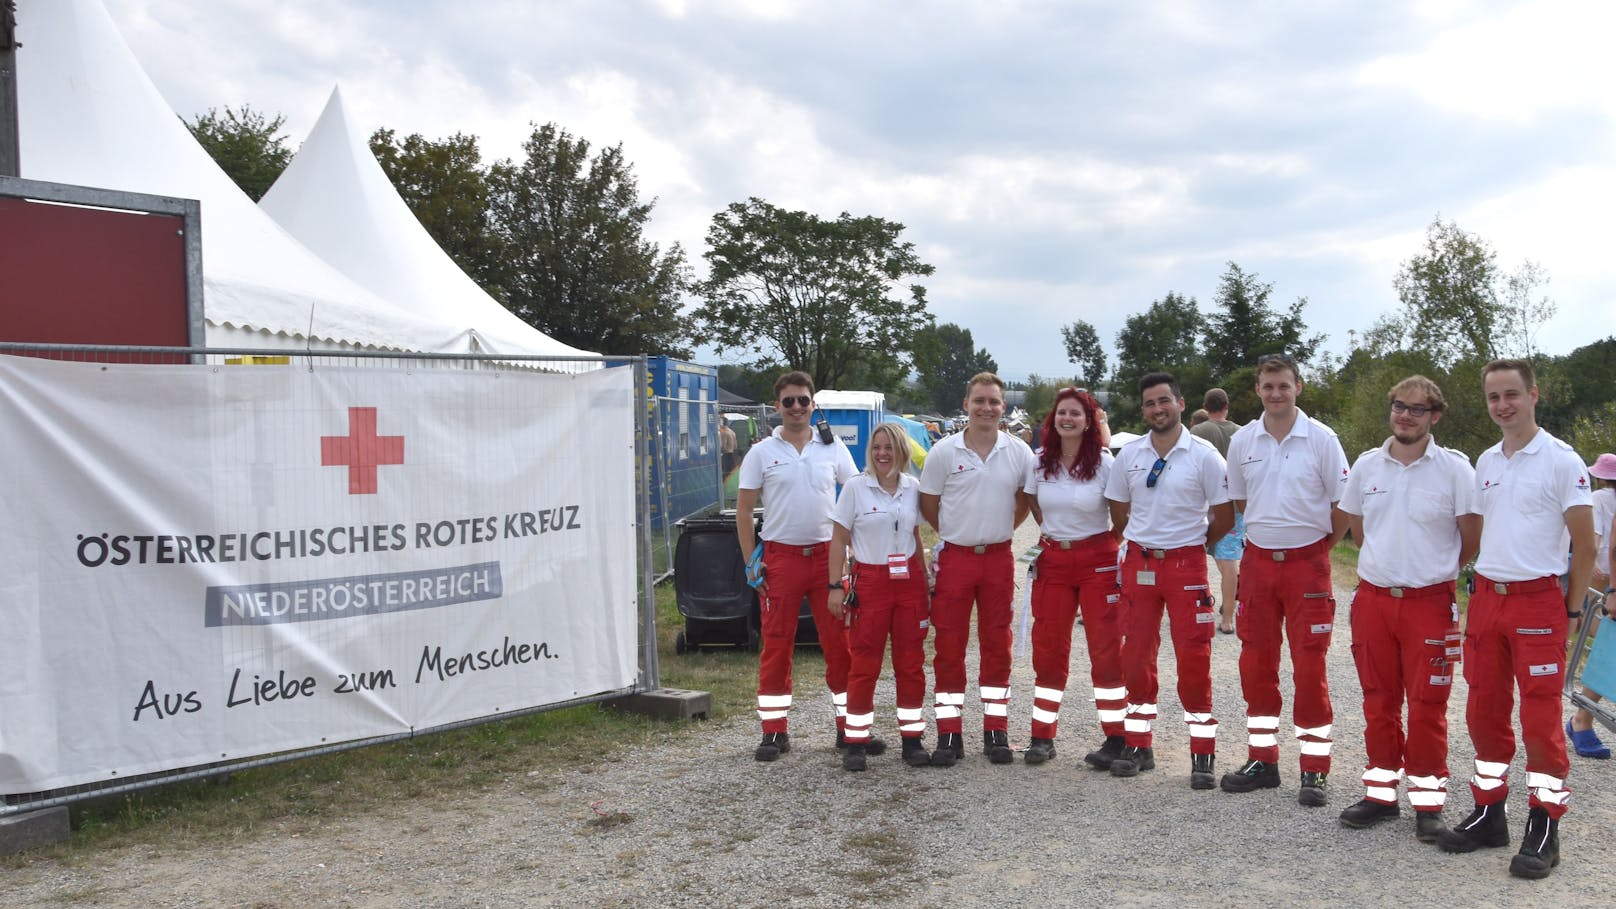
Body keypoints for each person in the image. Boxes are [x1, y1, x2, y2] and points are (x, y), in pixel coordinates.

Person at [1437, 359, 1595, 880]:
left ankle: (1544, 824)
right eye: (1493, 397)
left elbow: (1586, 544)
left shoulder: (1560, 459)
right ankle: (1489, 812)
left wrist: (1571, 611)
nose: (1502, 405)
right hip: (1489, 598)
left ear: (1533, 394)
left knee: (1540, 718)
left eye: (1511, 394)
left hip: (1538, 602)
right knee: (1483, 710)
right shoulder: (1487, 460)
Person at [1336, 376, 1480, 843]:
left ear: (1435, 416)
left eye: (1417, 409)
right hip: (1375, 600)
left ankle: (1428, 802)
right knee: (1378, 700)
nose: (1405, 415)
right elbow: (1358, 531)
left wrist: (1433, 572)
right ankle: (1380, 794)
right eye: (1399, 406)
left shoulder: (1456, 470)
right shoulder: (1365, 466)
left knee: (1428, 706)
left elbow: (1470, 537)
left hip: (1429, 605)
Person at [1220, 353, 1349, 806]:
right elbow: (1240, 502)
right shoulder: (1243, 441)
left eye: (1284, 385)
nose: (1276, 393)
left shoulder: (1322, 439)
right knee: (1256, 663)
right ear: (1258, 390)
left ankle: (1314, 770)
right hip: (1258, 564)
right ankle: (1263, 759)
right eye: (1268, 386)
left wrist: (1315, 550)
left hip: (1307, 563)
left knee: (1310, 666)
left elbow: (1342, 507)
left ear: (1298, 388)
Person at [1103, 372, 1234, 787]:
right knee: (1136, 656)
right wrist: (1142, 537)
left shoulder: (1204, 454)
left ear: (1180, 402)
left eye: (1164, 400)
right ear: (1143, 410)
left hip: (1186, 566)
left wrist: (1195, 543)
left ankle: (1202, 753)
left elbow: (1226, 514)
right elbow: (1118, 506)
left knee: (1194, 659)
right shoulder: (1130, 454)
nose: (1157, 409)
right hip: (1140, 565)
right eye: (1149, 403)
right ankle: (1139, 744)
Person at [736, 372, 873, 762]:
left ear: (814, 405)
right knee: (777, 644)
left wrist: (855, 553)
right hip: (780, 560)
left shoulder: (831, 449)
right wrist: (751, 563)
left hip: (827, 560)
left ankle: (851, 729)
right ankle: (774, 731)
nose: (797, 407)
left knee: (840, 646)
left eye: (803, 400)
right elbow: (744, 511)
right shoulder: (762, 452)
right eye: (789, 401)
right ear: (777, 406)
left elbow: (857, 492)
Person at [918, 372, 1035, 766]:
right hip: (956, 558)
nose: (987, 408)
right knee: (949, 647)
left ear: (1003, 408)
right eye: (979, 401)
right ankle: (949, 734)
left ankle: (995, 729)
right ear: (966, 404)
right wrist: (956, 533)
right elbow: (929, 505)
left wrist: (998, 531)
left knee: (996, 645)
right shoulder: (944, 453)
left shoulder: (1018, 452)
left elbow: (1024, 502)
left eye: (994, 402)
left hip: (998, 558)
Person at [1021, 387, 1124, 767]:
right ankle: (1042, 736)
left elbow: (1121, 514)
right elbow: (1032, 500)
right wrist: (1052, 533)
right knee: (1048, 647)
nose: (1067, 419)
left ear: (1088, 422)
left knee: (1106, 648)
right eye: (1062, 412)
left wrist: (1104, 545)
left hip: (1098, 558)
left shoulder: (1104, 463)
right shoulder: (1039, 462)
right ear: (1053, 419)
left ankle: (1117, 736)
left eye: (1076, 414)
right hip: (1053, 560)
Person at [827, 423, 932, 770]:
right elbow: (839, 538)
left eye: (889, 448)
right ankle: (856, 741)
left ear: (901, 451)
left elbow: (915, 536)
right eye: (876, 448)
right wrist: (834, 586)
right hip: (870, 581)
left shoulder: (913, 488)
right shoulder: (856, 488)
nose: (882, 454)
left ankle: (912, 740)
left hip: (909, 583)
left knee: (911, 664)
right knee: (864, 663)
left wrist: (925, 579)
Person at [1567, 453, 1616, 759]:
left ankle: (1582, 720)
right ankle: (1581, 720)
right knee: (1607, 646)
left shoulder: (1596, 496)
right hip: (1607, 575)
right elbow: (1598, 538)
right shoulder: (1597, 498)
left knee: (1605, 644)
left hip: (1601, 571)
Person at [1190, 388, 1244, 635]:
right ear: (1227, 406)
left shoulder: (1197, 432)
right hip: (1234, 505)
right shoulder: (1242, 433)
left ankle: (1208, 609)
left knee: (1197, 556)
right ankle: (1228, 616)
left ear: (1205, 405)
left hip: (1206, 506)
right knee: (1228, 560)